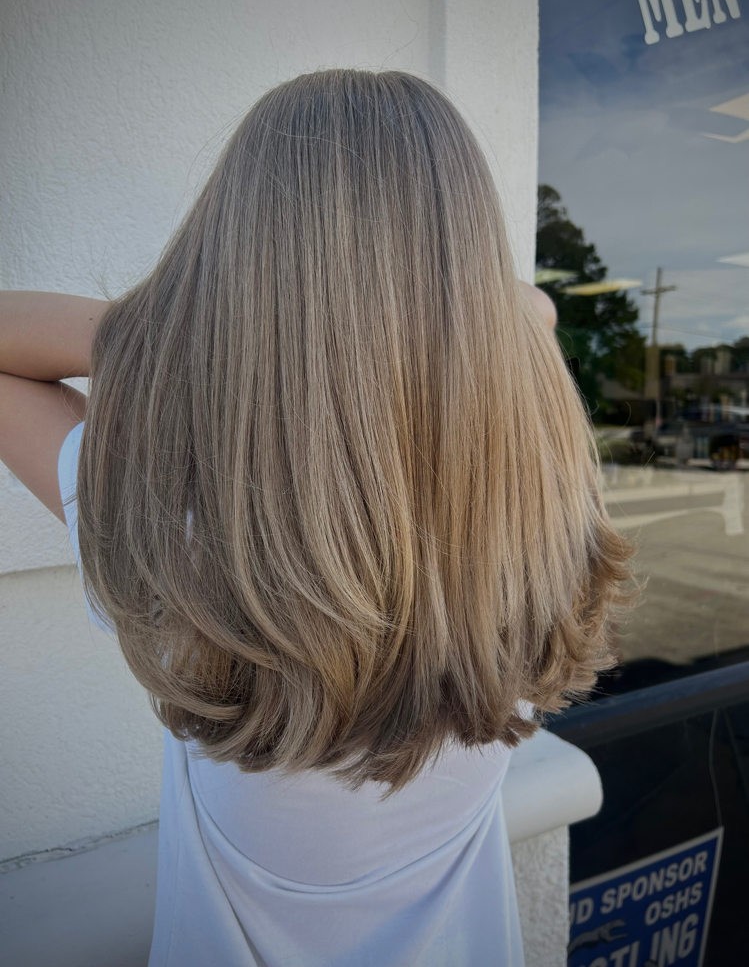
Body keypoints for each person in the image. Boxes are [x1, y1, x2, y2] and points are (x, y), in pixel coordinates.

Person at [0, 69, 634, 967]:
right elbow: (531, 314)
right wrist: (433, 318)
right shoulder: (525, 536)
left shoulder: (177, 542)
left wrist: (194, 331)